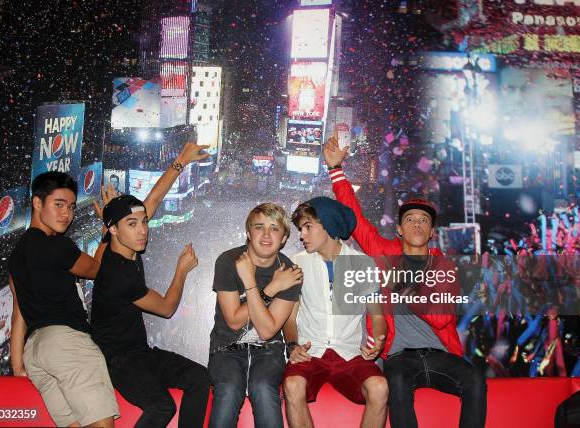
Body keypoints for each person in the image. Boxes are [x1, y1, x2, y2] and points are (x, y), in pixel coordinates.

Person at [323, 137, 487, 428]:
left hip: (440, 355)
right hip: (399, 357)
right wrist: (336, 170)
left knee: (475, 378)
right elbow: (356, 219)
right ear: (399, 229)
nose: (416, 224)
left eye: (423, 220)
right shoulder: (384, 254)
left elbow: (440, 318)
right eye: (410, 219)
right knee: (395, 382)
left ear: (432, 231)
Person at [90, 142, 211, 428]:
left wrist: (181, 160)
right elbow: (167, 308)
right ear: (114, 230)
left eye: (143, 222)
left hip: (140, 354)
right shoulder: (120, 275)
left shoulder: (114, 245)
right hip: (117, 362)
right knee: (162, 407)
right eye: (132, 224)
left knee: (199, 378)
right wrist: (181, 271)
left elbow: (153, 199)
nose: (143, 230)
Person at [8, 171, 119, 428]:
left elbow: (19, 314)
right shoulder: (57, 246)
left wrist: (18, 366)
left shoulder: (16, 256)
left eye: (70, 207)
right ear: (38, 203)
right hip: (66, 344)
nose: (66, 214)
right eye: (58, 205)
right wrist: (106, 231)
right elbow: (97, 270)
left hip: (36, 353)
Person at [283, 197, 389, 428]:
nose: (302, 235)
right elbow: (290, 317)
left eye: (308, 227)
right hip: (311, 351)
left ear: (328, 226)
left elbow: (378, 315)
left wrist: (378, 342)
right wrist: (293, 345)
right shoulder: (297, 263)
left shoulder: (363, 264)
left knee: (380, 388)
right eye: (301, 229)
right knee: (292, 385)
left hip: (349, 353)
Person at [208, 203, 303, 428]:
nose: (266, 235)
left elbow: (268, 330)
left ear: (284, 237)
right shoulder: (228, 261)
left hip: (268, 349)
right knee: (229, 388)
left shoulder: (289, 272)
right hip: (226, 347)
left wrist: (250, 283)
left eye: (275, 228)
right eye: (259, 227)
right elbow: (233, 320)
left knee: (262, 386)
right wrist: (271, 288)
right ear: (249, 233)